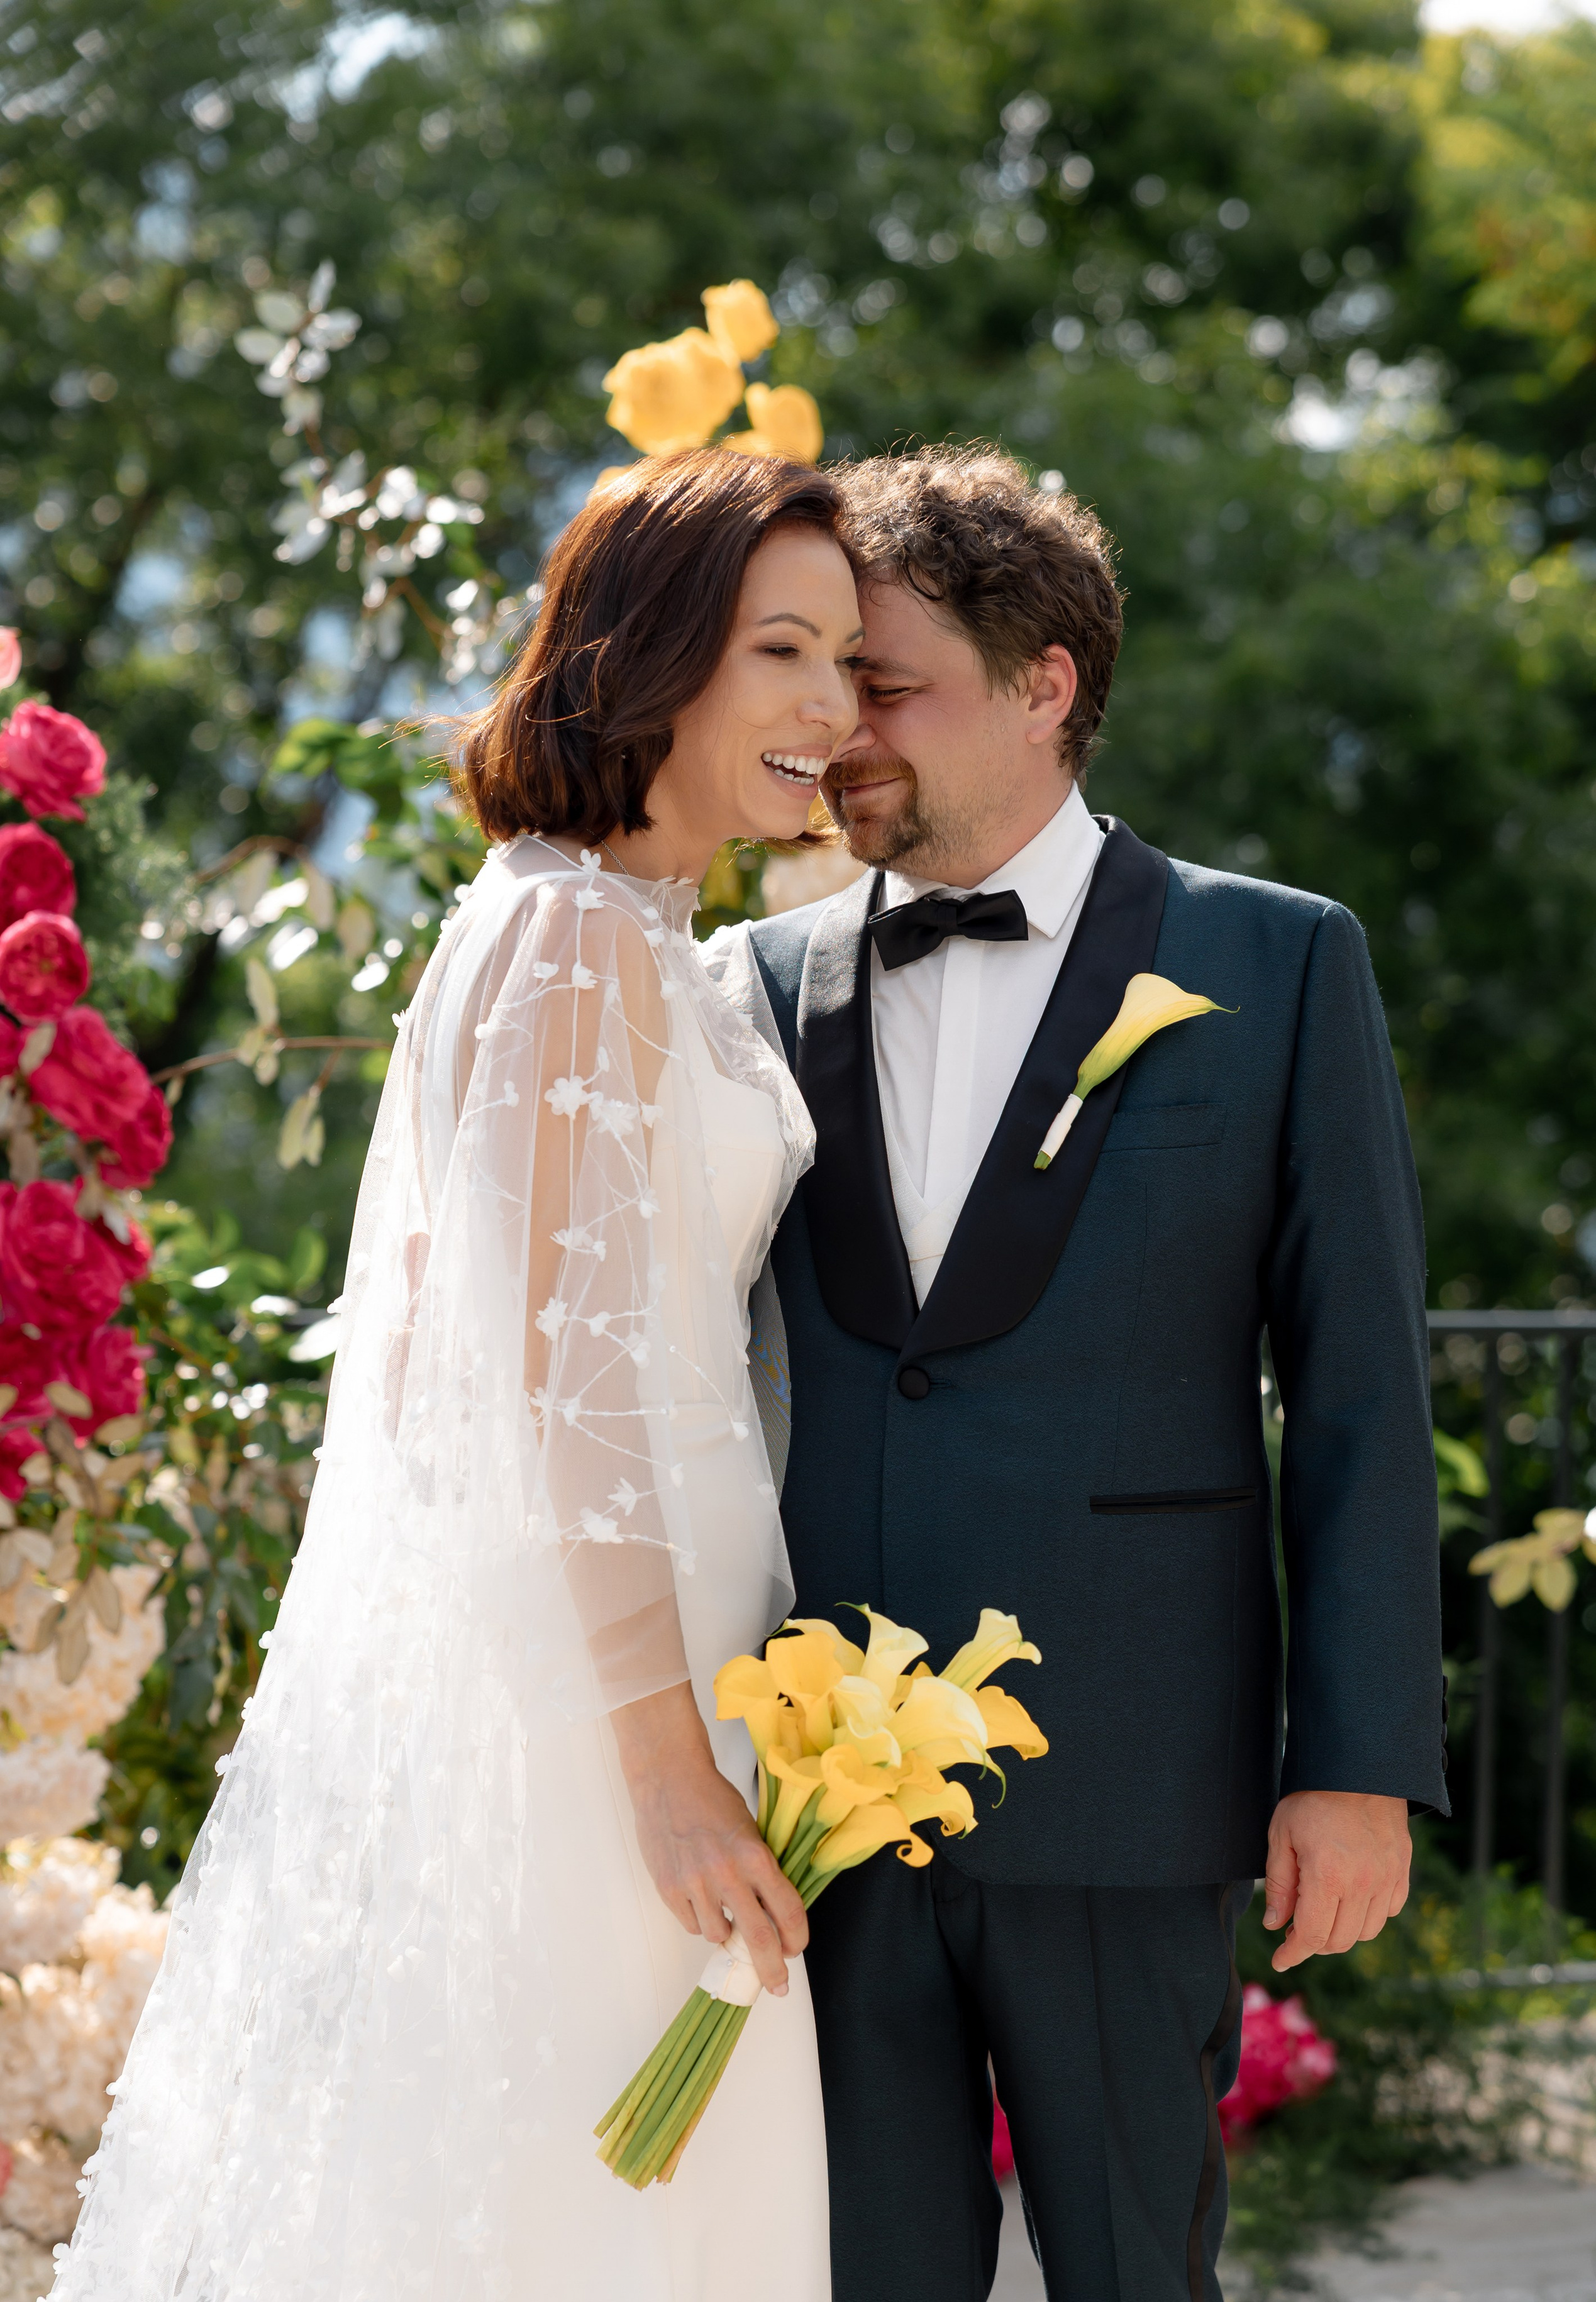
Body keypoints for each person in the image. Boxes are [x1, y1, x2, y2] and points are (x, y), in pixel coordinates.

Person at [53, 448, 862, 2302]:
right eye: (785, 652)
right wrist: (662, 1764)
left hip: (688, 1640)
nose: (833, 705)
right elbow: (546, 1384)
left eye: (847, 661)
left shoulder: (632, 930)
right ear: (657, 655)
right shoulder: (575, 936)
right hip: (610, 1696)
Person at [741, 444, 1449, 2302]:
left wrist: (1357, 1765)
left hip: (1133, 1773)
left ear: (1045, 685)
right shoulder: (745, 985)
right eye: (819, 685)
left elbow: (1363, 1392)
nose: (838, 730)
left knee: (1138, 2270)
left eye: (884, 685)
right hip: (817, 1789)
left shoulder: (1279, 965)